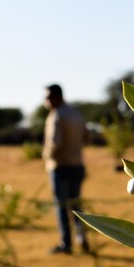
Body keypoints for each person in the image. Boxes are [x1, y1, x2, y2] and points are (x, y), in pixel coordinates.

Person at [42, 84, 90, 254]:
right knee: (76, 205)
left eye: (47, 97)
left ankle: (66, 244)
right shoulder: (76, 114)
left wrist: (46, 156)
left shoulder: (56, 116)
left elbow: (55, 144)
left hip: (60, 167)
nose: (45, 101)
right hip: (77, 165)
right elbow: (86, 135)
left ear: (55, 97)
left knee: (62, 206)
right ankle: (82, 237)